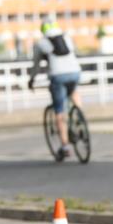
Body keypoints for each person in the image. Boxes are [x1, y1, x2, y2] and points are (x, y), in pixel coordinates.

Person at [29, 22, 82, 160]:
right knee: (74, 91)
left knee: (59, 111)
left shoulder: (41, 43)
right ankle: (79, 117)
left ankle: (65, 146)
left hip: (57, 75)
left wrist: (32, 79)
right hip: (75, 71)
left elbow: (35, 65)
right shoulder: (66, 38)